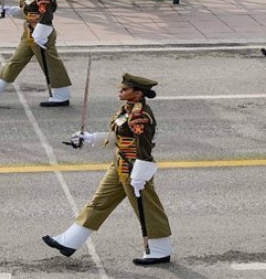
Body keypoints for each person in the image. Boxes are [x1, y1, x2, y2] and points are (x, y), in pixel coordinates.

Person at [43, 73, 172, 265]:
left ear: (137, 93)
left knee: (147, 209)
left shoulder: (139, 116)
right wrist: (90, 137)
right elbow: (119, 136)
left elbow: (143, 147)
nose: (120, 91)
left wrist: (140, 175)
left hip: (133, 168)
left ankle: (160, 251)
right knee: (99, 202)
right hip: (119, 164)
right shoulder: (126, 109)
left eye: (125, 89)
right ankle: (69, 241)